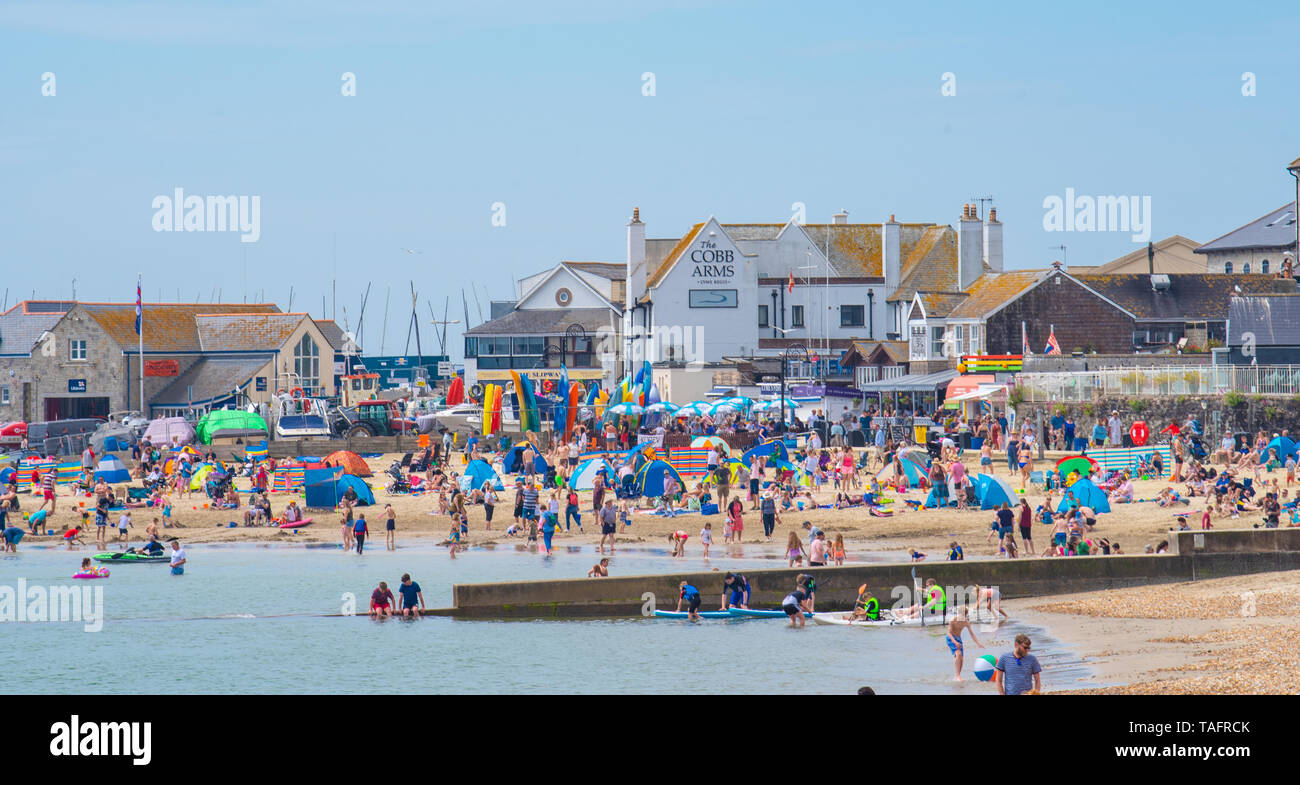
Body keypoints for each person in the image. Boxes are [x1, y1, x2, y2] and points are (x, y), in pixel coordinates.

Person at [946, 608, 985, 681]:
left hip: (958, 638)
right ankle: (957, 675)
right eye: (960, 615)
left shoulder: (966, 622)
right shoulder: (952, 621)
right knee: (958, 654)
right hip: (951, 638)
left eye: (963, 615)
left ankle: (958, 676)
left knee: (961, 658)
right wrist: (955, 642)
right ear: (958, 613)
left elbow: (972, 634)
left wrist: (978, 643)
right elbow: (949, 633)